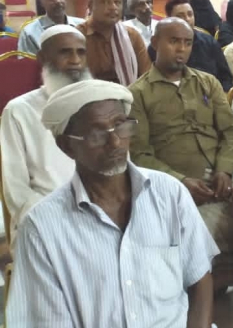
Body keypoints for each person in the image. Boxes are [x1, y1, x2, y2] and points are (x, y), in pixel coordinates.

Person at [6, 79, 218, 327]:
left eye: (120, 126)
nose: (115, 142)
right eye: (97, 134)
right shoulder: (41, 228)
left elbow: (200, 279)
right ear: (66, 146)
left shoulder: (170, 193)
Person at [130, 17, 233, 290]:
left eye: (187, 43)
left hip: (221, 175)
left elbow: (230, 131)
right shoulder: (138, 94)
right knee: (196, 228)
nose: (181, 49)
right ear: (155, 43)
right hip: (176, 182)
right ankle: (202, 285)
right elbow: (140, 154)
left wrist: (224, 170)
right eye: (173, 41)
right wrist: (180, 181)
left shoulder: (208, 83)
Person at [0, 26, 90, 251]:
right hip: (46, 221)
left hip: (100, 215)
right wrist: (54, 222)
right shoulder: (19, 110)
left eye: (81, 52)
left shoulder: (101, 105)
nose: (75, 60)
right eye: (65, 52)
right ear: (42, 58)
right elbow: (16, 188)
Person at [76, 0, 150, 86]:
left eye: (117, 2)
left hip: (129, 94)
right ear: (91, 6)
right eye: (106, 2)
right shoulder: (77, 36)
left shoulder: (132, 36)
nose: (113, 7)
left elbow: (146, 77)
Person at [154, 0, 233, 92]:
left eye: (190, 14)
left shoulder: (209, 42)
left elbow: (225, 76)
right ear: (169, 19)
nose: (187, 19)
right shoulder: (161, 45)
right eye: (180, 16)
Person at [18, 0, 83, 55]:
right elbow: (26, 60)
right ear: (41, 2)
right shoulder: (29, 32)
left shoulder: (82, 25)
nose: (57, 1)